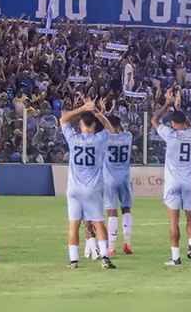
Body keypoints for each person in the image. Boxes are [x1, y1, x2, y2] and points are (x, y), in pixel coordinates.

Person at [60, 98, 117, 269]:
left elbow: (63, 120)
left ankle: (73, 261)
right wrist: (97, 112)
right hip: (92, 188)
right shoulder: (99, 140)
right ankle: (105, 257)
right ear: (94, 125)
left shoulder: (73, 138)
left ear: (80, 125)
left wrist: (83, 108)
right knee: (98, 223)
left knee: (74, 225)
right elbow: (110, 128)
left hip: (74, 188)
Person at [151, 88, 191, 266]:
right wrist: (178, 108)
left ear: (172, 123)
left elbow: (154, 120)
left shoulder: (170, 134)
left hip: (173, 181)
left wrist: (167, 104)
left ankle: (175, 257)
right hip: (190, 181)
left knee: (174, 220)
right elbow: (185, 122)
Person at [103, 114, 134, 255]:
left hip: (110, 178)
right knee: (126, 209)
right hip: (125, 178)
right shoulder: (128, 136)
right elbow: (119, 130)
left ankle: (111, 247)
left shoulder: (105, 138)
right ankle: (127, 243)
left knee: (112, 211)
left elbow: (101, 130)